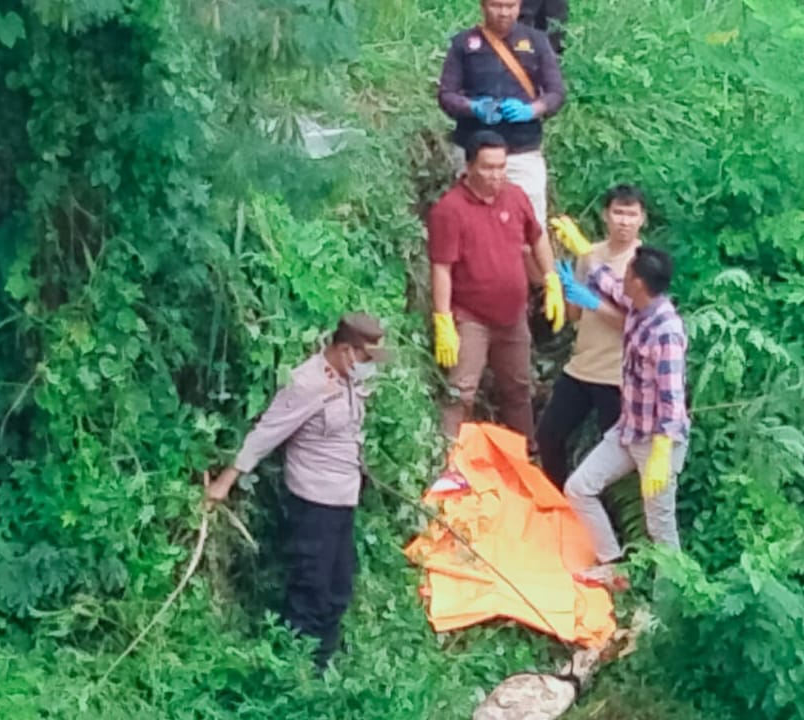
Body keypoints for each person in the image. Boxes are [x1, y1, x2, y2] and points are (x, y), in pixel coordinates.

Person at [205, 313, 388, 670]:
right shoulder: (306, 384)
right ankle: (295, 673)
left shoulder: (349, 379)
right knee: (311, 590)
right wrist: (225, 482)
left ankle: (322, 665)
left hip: (343, 501)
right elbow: (266, 433)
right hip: (314, 504)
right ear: (346, 350)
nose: (370, 368)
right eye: (366, 359)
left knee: (338, 587)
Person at [557, 247, 689, 580]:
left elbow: (672, 399)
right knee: (579, 488)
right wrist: (583, 250)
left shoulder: (666, 332)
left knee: (661, 530)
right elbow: (610, 284)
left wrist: (661, 450)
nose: (623, 275)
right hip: (629, 430)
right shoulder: (639, 306)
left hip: (656, 444)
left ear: (641, 283)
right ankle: (613, 567)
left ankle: (666, 609)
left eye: (629, 271)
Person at [427, 131, 565, 443]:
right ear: (469, 166)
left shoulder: (515, 196)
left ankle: (525, 455)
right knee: (461, 391)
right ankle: (445, 459)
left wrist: (551, 278)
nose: (496, 175)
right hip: (471, 316)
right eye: (488, 167)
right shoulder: (450, 210)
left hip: (513, 315)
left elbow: (537, 236)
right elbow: (442, 267)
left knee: (518, 388)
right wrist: (443, 319)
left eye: (501, 167)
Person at [535, 185, 647, 488]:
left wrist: (592, 301)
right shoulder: (589, 254)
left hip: (618, 377)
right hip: (581, 368)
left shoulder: (644, 264)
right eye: (618, 213)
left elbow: (638, 324)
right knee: (548, 435)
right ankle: (558, 501)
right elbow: (575, 316)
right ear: (605, 216)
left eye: (631, 214)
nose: (624, 221)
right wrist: (565, 292)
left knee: (619, 454)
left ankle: (609, 514)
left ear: (642, 219)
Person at [437, 0, 567, 228]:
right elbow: (446, 95)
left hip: (522, 151)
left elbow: (556, 93)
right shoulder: (464, 44)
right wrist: (473, 107)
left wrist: (531, 110)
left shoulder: (537, 42)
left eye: (510, 6)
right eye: (497, 5)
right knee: (471, 226)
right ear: (483, 5)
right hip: (474, 152)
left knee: (532, 227)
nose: (504, 12)